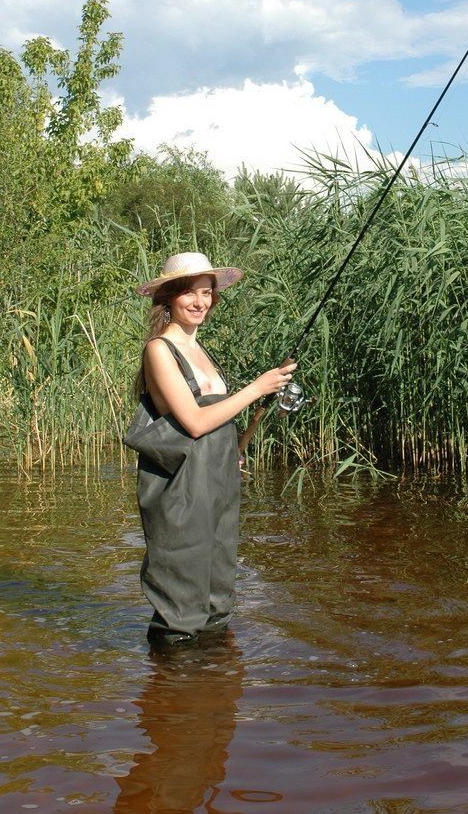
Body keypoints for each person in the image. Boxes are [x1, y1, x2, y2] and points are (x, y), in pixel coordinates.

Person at [134, 251, 296, 647]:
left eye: (206, 293)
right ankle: (171, 687)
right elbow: (193, 421)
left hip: (218, 477)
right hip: (182, 486)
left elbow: (216, 422)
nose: (199, 301)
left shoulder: (202, 350)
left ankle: (213, 687)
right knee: (182, 581)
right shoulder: (160, 349)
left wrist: (232, 451)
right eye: (189, 292)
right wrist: (257, 387)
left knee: (217, 583)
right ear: (169, 298)